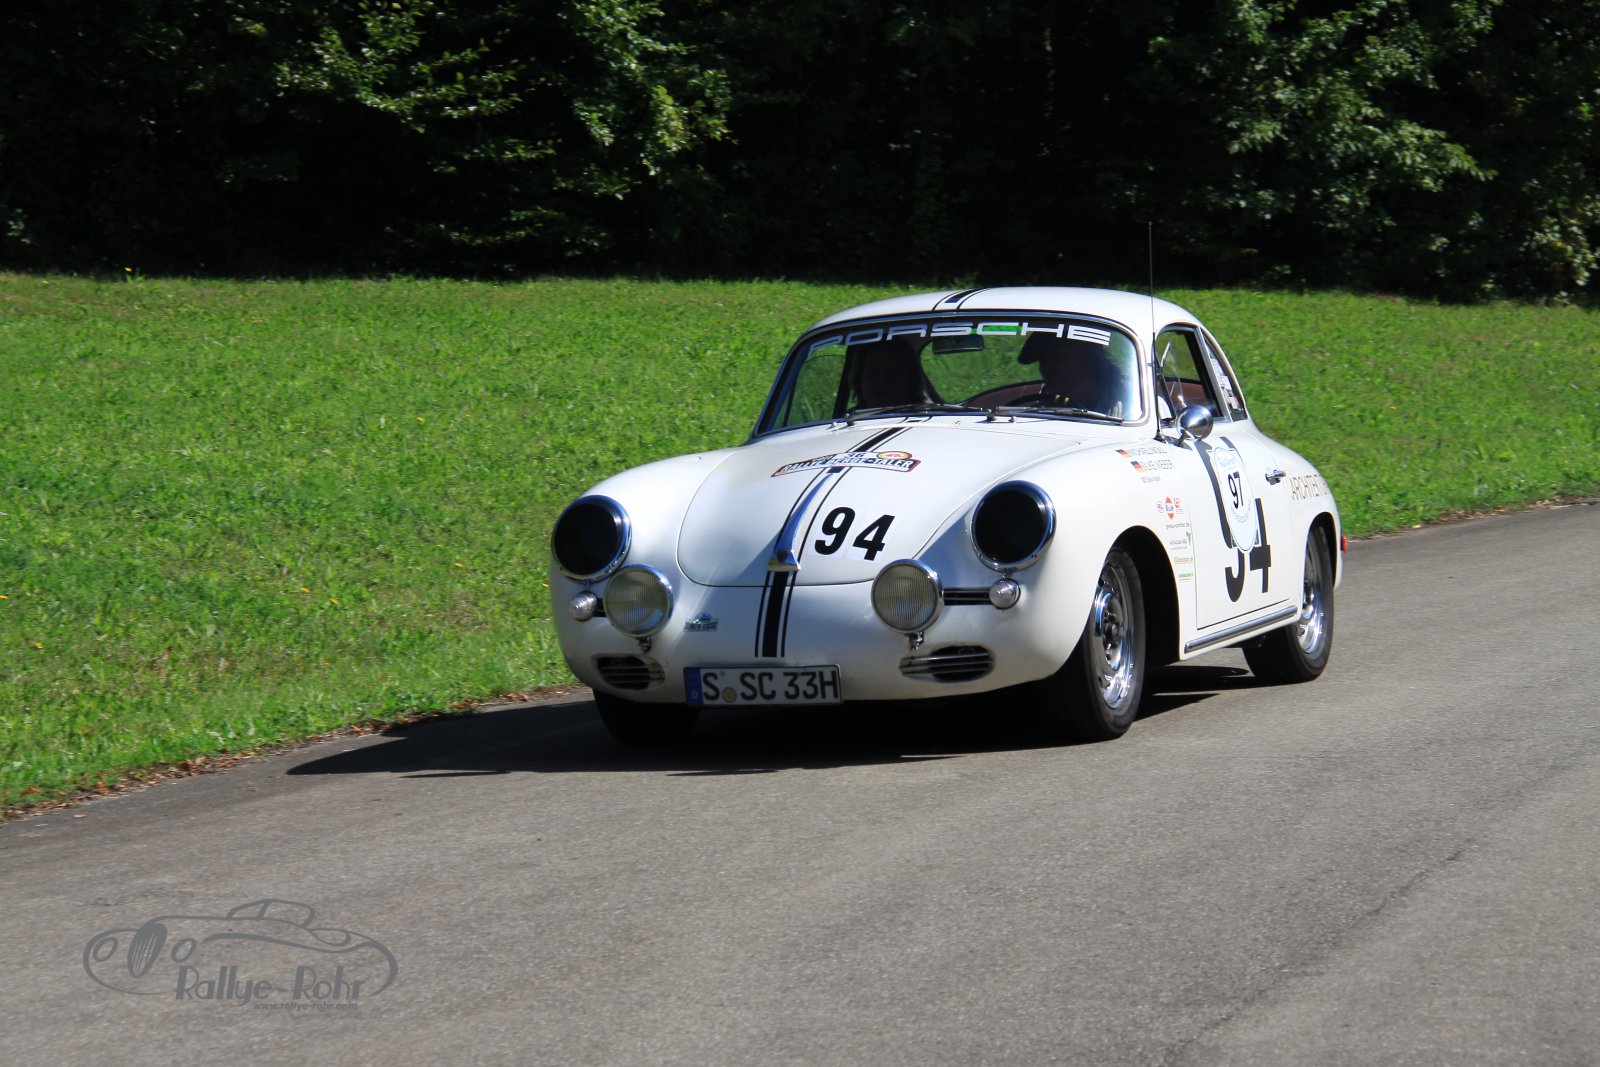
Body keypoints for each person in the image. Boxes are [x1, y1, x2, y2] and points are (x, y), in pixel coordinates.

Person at [1017, 333, 1130, 416]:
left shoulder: (1128, 408)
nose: (1049, 368)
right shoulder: (1040, 411)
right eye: (1043, 360)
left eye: (1058, 358)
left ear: (1089, 359)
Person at [848, 337, 937, 407]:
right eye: (873, 373)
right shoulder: (844, 422)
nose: (882, 383)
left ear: (911, 380)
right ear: (859, 379)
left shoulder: (926, 422)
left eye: (893, 374)